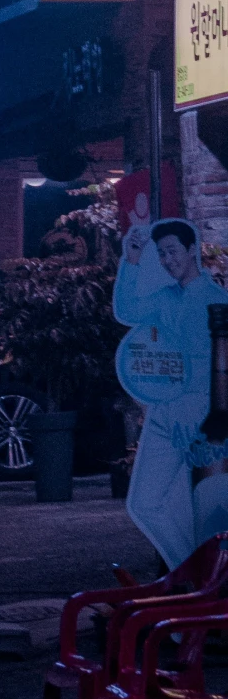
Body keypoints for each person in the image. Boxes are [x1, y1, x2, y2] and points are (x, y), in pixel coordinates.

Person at [113, 217, 219, 565]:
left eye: (172, 251)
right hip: (163, 417)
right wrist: (130, 259)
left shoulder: (217, 301)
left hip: (203, 421)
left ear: (192, 251)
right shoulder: (164, 299)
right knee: (145, 503)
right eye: (160, 254)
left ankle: (207, 581)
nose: (167, 260)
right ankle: (191, 572)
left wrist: (200, 406)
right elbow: (127, 310)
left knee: (205, 507)